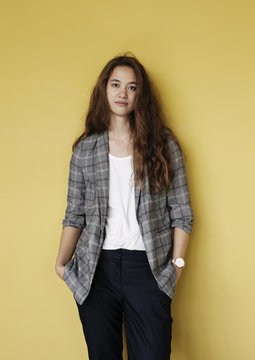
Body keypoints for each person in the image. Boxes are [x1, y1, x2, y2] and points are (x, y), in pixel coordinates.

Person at [55, 52, 194, 360]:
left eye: (132, 87)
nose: (122, 93)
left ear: (140, 94)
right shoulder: (85, 151)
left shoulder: (164, 146)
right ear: (104, 89)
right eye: (116, 84)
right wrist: (61, 265)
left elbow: (182, 214)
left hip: (148, 269)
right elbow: (74, 214)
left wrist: (177, 268)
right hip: (96, 270)